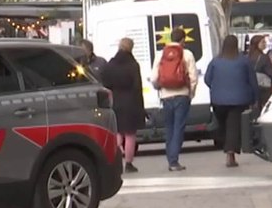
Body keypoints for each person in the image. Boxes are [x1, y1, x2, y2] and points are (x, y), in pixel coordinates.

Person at [205, 35, 258, 168]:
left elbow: (207, 79)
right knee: (234, 126)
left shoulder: (215, 61)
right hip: (239, 100)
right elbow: (252, 81)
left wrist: (217, 87)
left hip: (218, 101)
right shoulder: (244, 61)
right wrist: (255, 98)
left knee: (224, 126)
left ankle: (227, 148)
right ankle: (230, 153)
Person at [150, 27, 197, 172]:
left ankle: (170, 158)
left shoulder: (161, 54)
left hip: (166, 96)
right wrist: (190, 94)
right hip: (182, 95)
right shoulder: (187, 54)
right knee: (179, 128)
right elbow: (193, 77)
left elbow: (154, 78)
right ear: (183, 39)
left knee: (169, 128)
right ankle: (174, 160)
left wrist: (159, 88)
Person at [100, 37, 145, 173]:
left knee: (118, 132)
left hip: (115, 101)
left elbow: (105, 84)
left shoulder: (110, 65)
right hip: (131, 102)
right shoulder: (133, 65)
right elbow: (137, 87)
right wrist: (141, 108)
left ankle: (118, 156)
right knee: (130, 134)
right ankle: (129, 162)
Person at [247, 34, 272, 118]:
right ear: (257, 44)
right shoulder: (263, 57)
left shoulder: (247, 56)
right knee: (264, 108)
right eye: (263, 42)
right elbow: (271, 73)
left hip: (250, 86)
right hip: (263, 88)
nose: (265, 44)